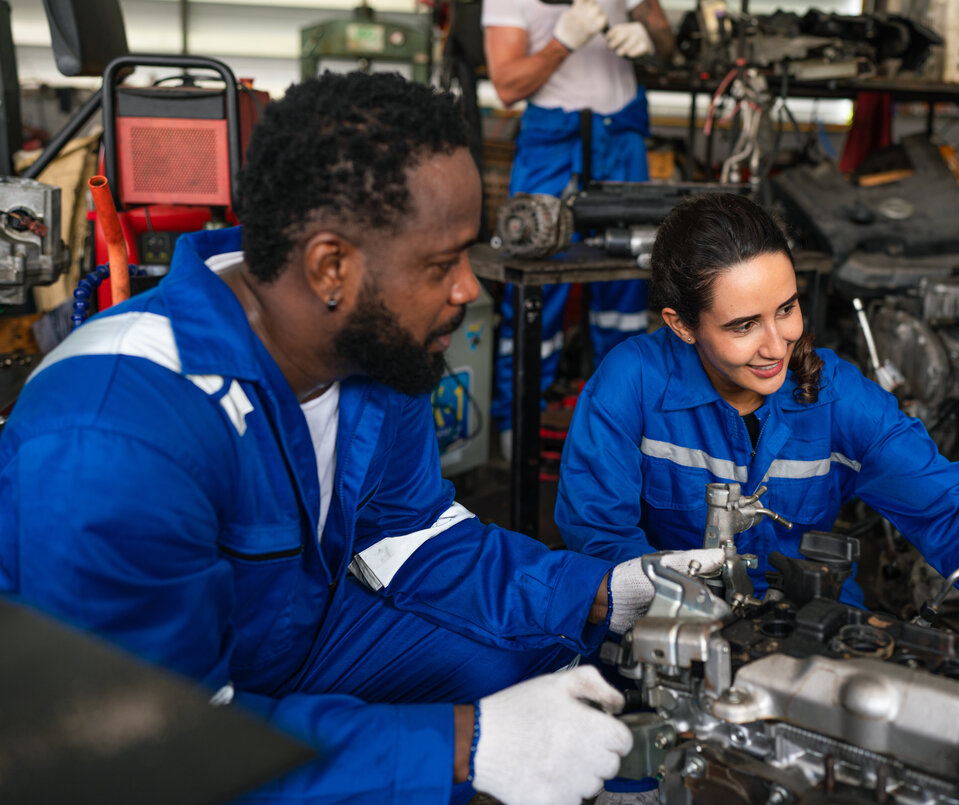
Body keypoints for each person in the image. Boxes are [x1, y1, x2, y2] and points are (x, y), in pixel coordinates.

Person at [0, 72, 721, 805]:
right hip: (129, 730)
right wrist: (474, 742)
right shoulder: (114, 437)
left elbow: (416, 536)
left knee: (553, 666)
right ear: (330, 267)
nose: (470, 288)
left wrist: (602, 591)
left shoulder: (368, 356)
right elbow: (148, 754)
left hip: (290, 634)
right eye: (441, 265)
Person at [556, 192, 959, 609]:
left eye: (786, 309)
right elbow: (600, 539)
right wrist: (673, 605)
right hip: (669, 640)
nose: (775, 344)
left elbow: (949, 506)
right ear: (682, 326)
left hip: (815, 636)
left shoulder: (835, 397)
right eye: (742, 326)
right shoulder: (629, 383)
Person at [482, 0, 675, 454]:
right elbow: (507, 86)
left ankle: (623, 435)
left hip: (622, 133)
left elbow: (670, 47)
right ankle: (518, 434)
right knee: (533, 287)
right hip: (551, 140)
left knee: (628, 285)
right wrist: (561, 42)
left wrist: (651, 41)